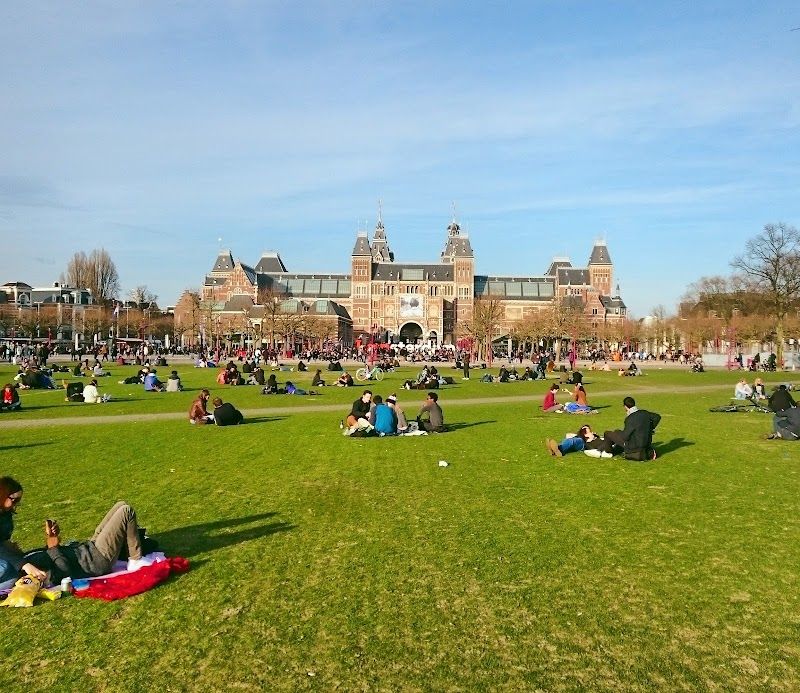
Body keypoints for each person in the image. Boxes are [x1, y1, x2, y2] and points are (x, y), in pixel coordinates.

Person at [19, 502, 154, 584]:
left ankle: (134, 542)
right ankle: (136, 560)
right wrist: (52, 547)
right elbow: (63, 572)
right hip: (96, 560)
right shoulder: (30, 572)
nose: (12, 542)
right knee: (126, 512)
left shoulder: (25, 557)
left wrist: (53, 536)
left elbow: (52, 554)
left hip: (88, 548)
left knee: (121, 504)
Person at [604, 396, 661, 461]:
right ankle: (614, 448)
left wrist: (619, 433)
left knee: (607, 433)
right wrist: (650, 428)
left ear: (625, 406)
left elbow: (625, 437)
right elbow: (657, 417)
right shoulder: (644, 413)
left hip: (633, 447)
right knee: (617, 432)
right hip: (644, 444)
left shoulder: (630, 419)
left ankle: (608, 452)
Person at [0, 477, 25, 589]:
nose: (15, 504)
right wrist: (23, 564)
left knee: (14, 577)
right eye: (14, 500)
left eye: (18, 501)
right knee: (4, 567)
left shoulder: (6, 514)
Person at [546, 425, 613, 458]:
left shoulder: (593, 435)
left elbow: (597, 441)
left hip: (583, 444)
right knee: (569, 441)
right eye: (584, 428)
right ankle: (555, 450)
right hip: (578, 442)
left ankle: (558, 448)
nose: (585, 428)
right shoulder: (580, 435)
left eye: (587, 428)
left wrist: (592, 436)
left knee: (573, 441)